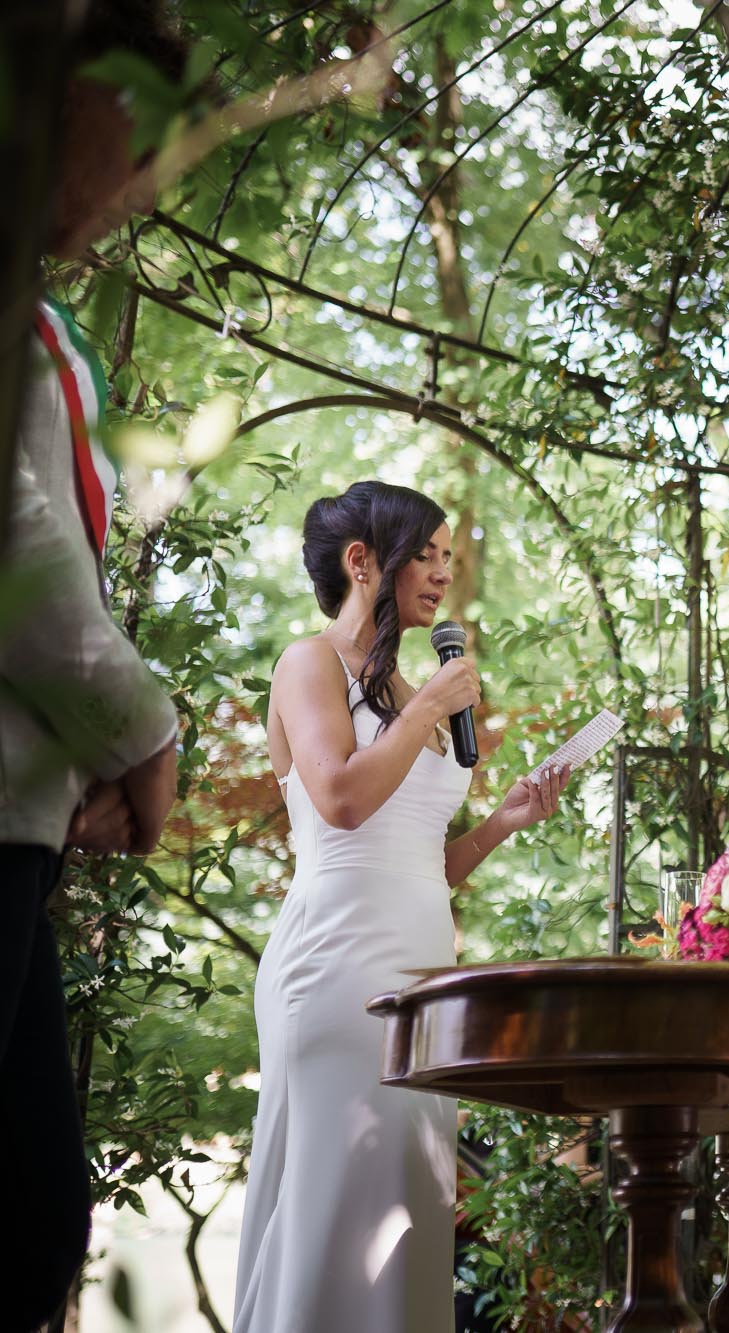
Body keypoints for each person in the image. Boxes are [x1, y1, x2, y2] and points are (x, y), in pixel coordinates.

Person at [233, 481, 573, 1332]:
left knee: (407, 1214)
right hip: (334, 974)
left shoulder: (402, 691)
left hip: (424, 983)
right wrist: (427, 704)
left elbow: (422, 865)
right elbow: (343, 803)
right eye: (425, 553)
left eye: (447, 557)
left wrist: (502, 820)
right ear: (362, 562)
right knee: (333, 1208)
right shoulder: (309, 664)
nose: (441, 573)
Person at [2, 6, 188, 1326]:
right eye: (130, 127)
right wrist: (145, 742)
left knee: (30, 1203)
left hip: (23, 808)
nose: (140, 177)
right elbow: (31, 580)